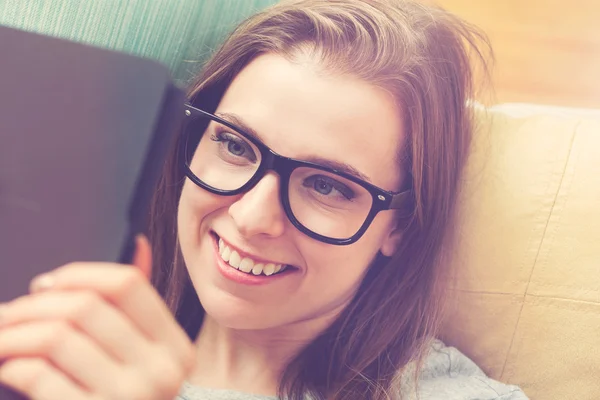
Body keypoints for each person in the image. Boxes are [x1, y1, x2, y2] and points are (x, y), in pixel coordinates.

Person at [0, 0, 529, 399]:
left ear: (401, 225)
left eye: (326, 185)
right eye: (234, 145)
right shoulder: (50, 319)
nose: (253, 217)